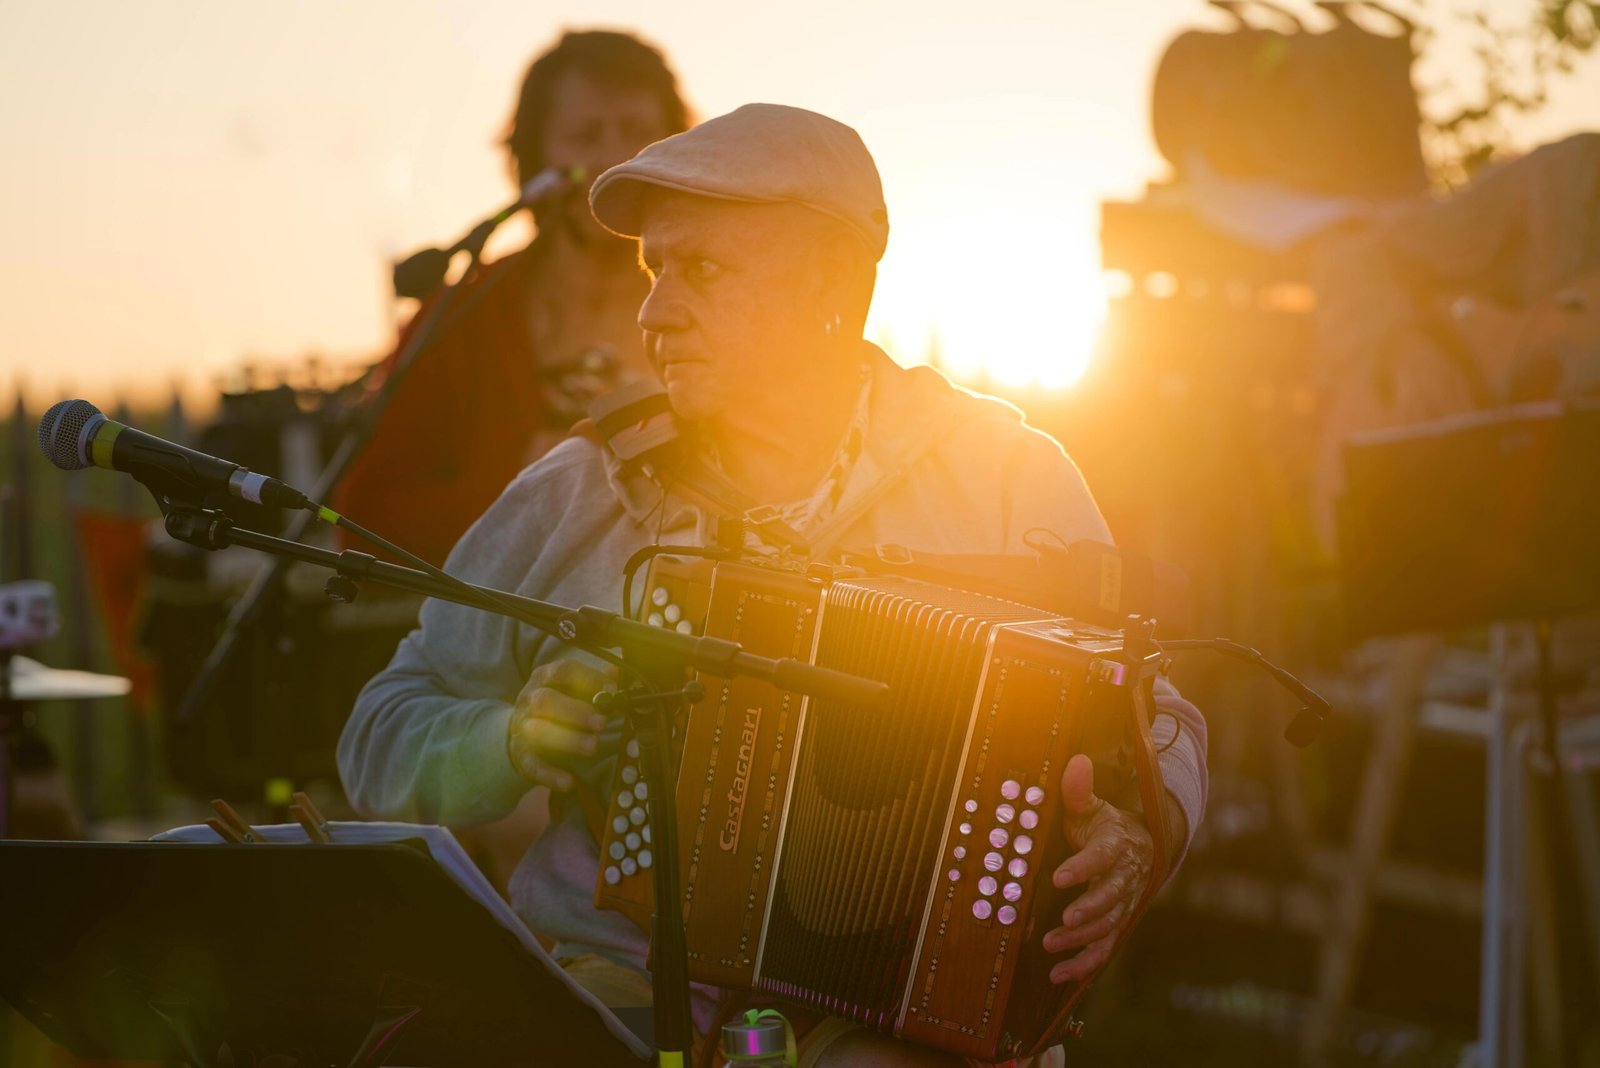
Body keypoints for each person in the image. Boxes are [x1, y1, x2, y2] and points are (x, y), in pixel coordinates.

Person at [339, 104, 1209, 1067]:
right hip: (625, 991)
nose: (654, 311)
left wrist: (1141, 834)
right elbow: (380, 732)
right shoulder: (583, 488)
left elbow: (1159, 713)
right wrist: (506, 741)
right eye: (653, 268)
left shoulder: (1007, 476)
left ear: (829, 278)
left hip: (914, 1012)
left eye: (701, 270)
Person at [333, 28, 691, 568]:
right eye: (585, 135)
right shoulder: (460, 318)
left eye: (637, 131)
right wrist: (521, 482)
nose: (614, 157)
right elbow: (362, 523)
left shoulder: (714, 304)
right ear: (535, 154)